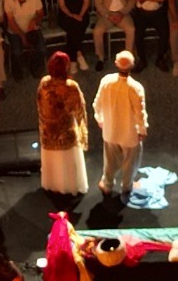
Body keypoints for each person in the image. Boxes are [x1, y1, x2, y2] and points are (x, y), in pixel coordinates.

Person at [92, 49, 148, 196]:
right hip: (129, 134)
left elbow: (97, 104)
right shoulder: (136, 88)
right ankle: (127, 186)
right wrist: (142, 130)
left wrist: (100, 120)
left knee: (110, 161)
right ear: (132, 66)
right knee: (130, 161)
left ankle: (107, 184)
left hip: (110, 130)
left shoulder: (106, 81)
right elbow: (140, 113)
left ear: (116, 64)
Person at [36, 53, 89, 200]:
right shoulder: (71, 87)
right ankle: (69, 187)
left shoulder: (44, 83)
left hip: (48, 132)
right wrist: (83, 131)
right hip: (66, 133)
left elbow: (40, 105)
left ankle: (52, 185)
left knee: (52, 163)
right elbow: (79, 109)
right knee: (67, 164)